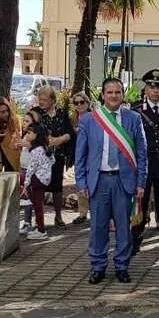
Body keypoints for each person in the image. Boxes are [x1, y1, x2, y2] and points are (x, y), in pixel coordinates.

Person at [75, 78, 147, 284]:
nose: (114, 96)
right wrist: (81, 183)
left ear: (123, 94)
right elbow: (80, 155)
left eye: (118, 92)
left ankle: (122, 266)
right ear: (103, 94)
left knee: (124, 227)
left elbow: (142, 153)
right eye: (110, 92)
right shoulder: (89, 119)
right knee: (98, 226)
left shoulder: (133, 118)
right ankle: (98, 266)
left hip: (124, 181)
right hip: (99, 181)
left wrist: (140, 182)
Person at [131, 69, 159, 255]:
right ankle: (135, 239)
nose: (156, 90)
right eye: (151, 86)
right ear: (146, 90)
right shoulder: (136, 111)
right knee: (140, 201)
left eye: (158, 87)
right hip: (144, 162)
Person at [32, 86, 74, 226]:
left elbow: (70, 133)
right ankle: (40, 219)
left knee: (57, 186)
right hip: (40, 157)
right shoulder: (35, 113)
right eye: (40, 99)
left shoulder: (62, 113)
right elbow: (29, 131)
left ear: (53, 100)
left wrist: (60, 139)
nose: (41, 102)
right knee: (40, 187)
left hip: (58, 155)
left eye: (44, 100)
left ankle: (58, 216)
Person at [22, 123, 54, 240]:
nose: (27, 134)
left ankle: (41, 230)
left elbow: (31, 169)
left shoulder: (35, 151)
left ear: (36, 135)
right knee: (37, 204)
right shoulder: (44, 148)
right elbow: (52, 160)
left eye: (30, 133)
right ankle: (39, 228)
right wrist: (45, 169)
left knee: (37, 205)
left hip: (37, 180)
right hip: (44, 179)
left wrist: (25, 184)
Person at [18, 110, 41, 234]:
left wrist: (27, 145)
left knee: (33, 197)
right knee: (26, 196)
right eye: (24, 120)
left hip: (32, 170)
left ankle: (36, 224)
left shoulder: (35, 135)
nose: (24, 123)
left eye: (27, 121)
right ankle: (27, 222)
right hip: (23, 168)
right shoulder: (25, 134)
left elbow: (39, 149)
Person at [71, 92, 92, 224]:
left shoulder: (94, 117)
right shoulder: (72, 119)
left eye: (81, 102)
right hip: (78, 154)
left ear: (87, 103)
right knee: (80, 181)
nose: (79, 105)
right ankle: (82, 213)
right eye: (76, 103)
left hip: (91, 154)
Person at [0, 97, 21, 172]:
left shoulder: (13, 121)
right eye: (2, 112)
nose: (6, 114)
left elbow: (15, 144)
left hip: (12, 161)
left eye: (7, 110)